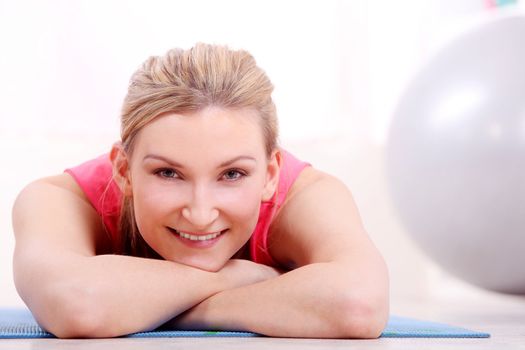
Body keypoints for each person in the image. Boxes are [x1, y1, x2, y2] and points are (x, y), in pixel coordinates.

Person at [12, 43, 389, 339]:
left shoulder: (305, 196)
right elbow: (77, 304)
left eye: (232, 174)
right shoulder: (59, 200)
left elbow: (358, 304)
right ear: (123, 170)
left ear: (271, 172)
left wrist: (154, 307)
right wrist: (237, 277)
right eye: (168, 173)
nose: (200, 212)